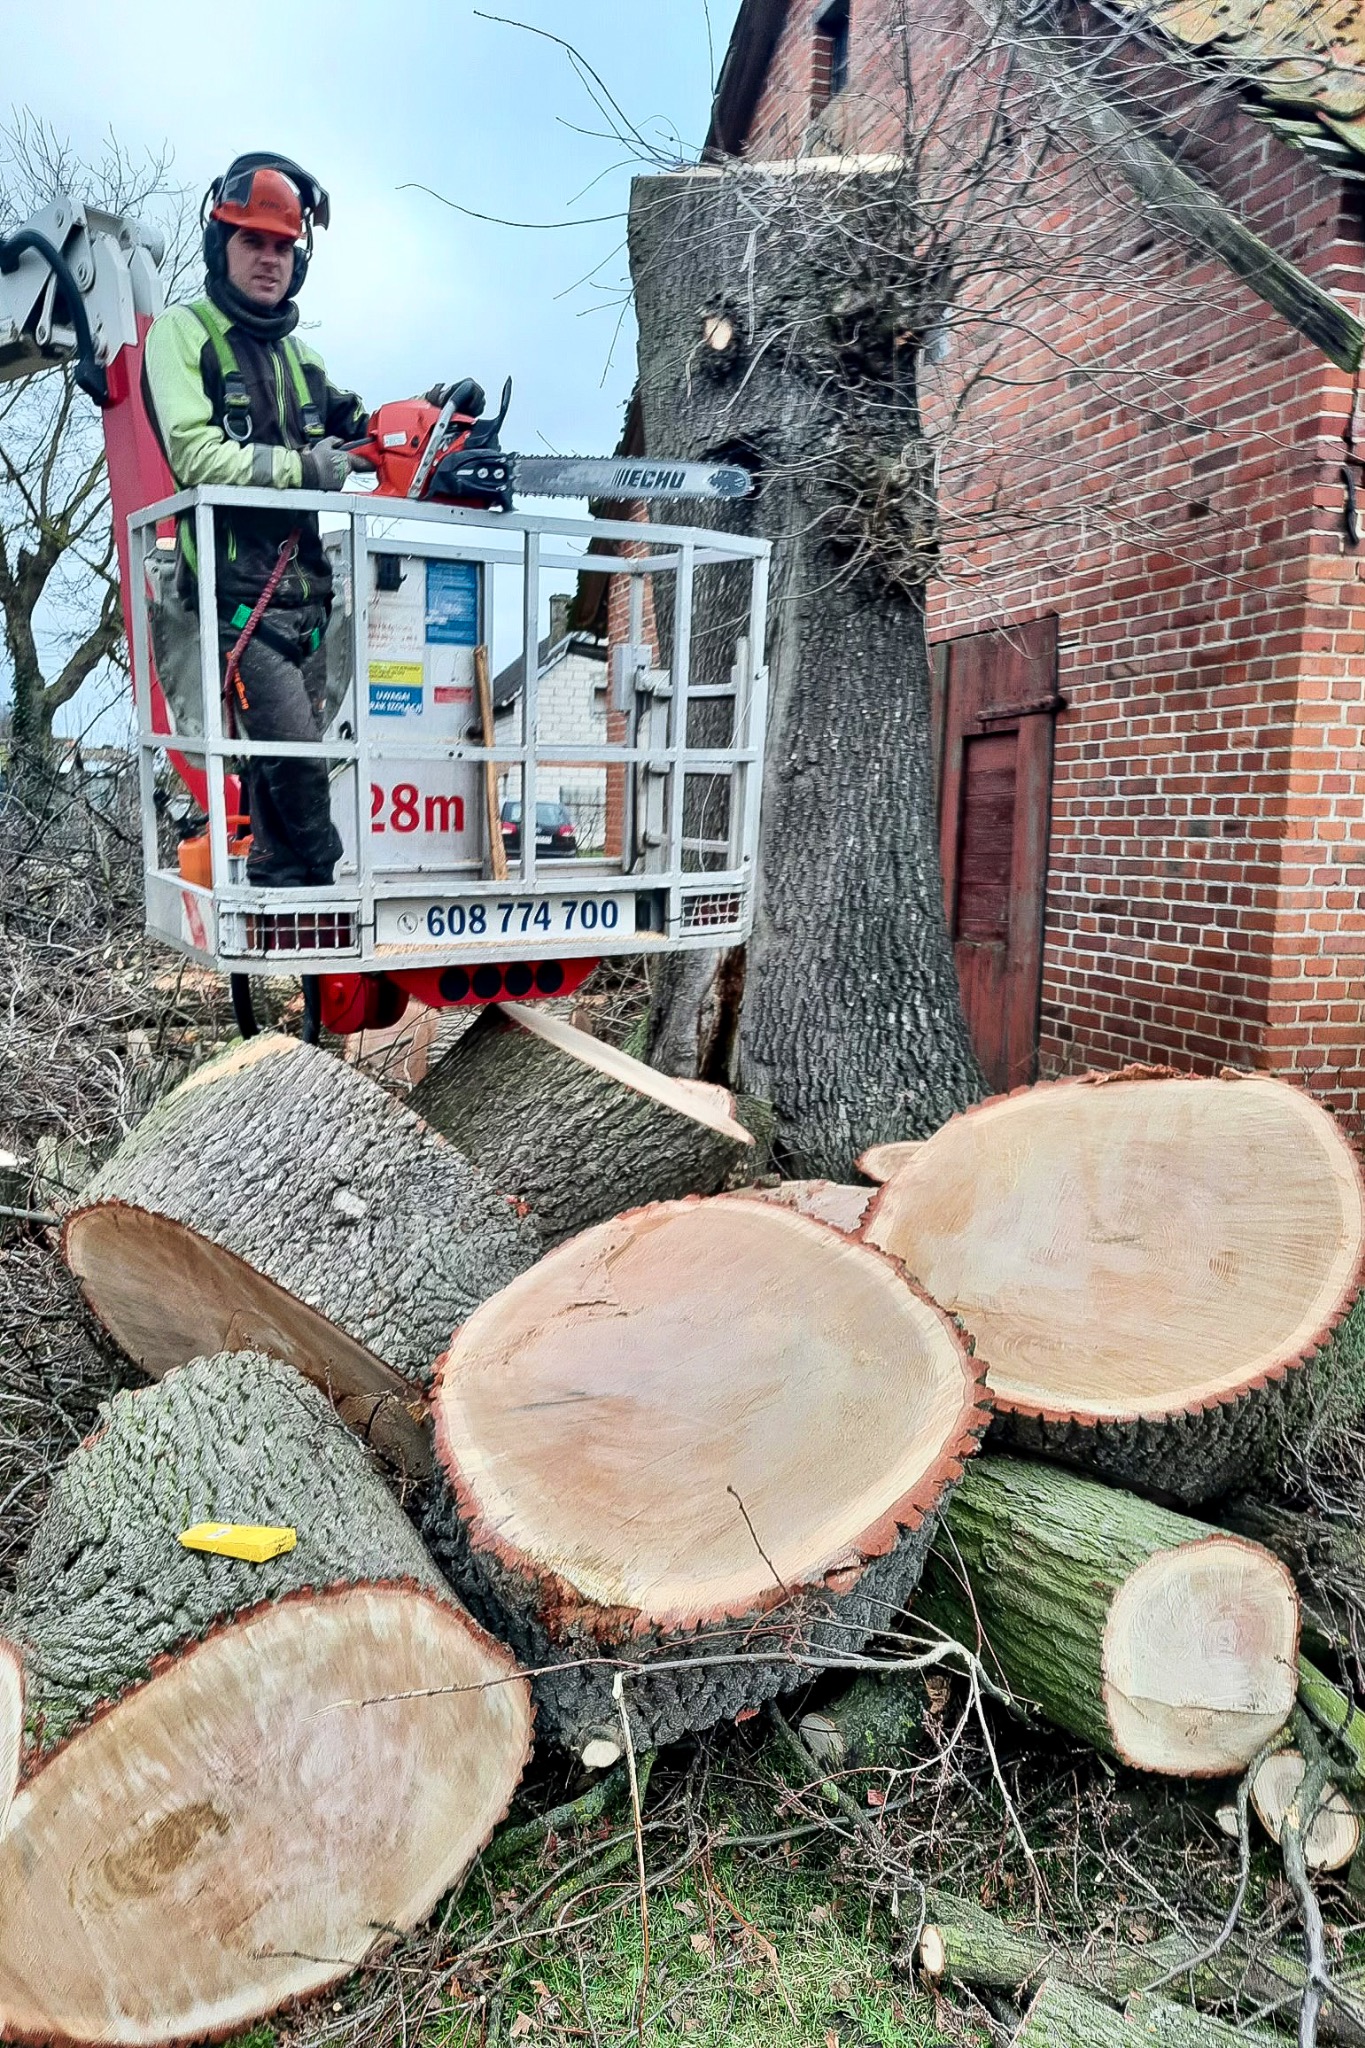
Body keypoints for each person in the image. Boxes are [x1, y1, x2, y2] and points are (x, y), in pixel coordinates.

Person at [143, 152, 474, 892]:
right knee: (298, 761)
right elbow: (196, 454)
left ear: (299, 260)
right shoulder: (182, 335)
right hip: (236, 600)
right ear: (219, 246)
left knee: (280, 770)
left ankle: (282, 901)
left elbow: (357, 428)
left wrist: (426, 422)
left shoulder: (303, 360)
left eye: (282, 247)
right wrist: (304, 471)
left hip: (307, 601)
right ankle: (326, 887)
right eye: (252, 242)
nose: (268, 259)